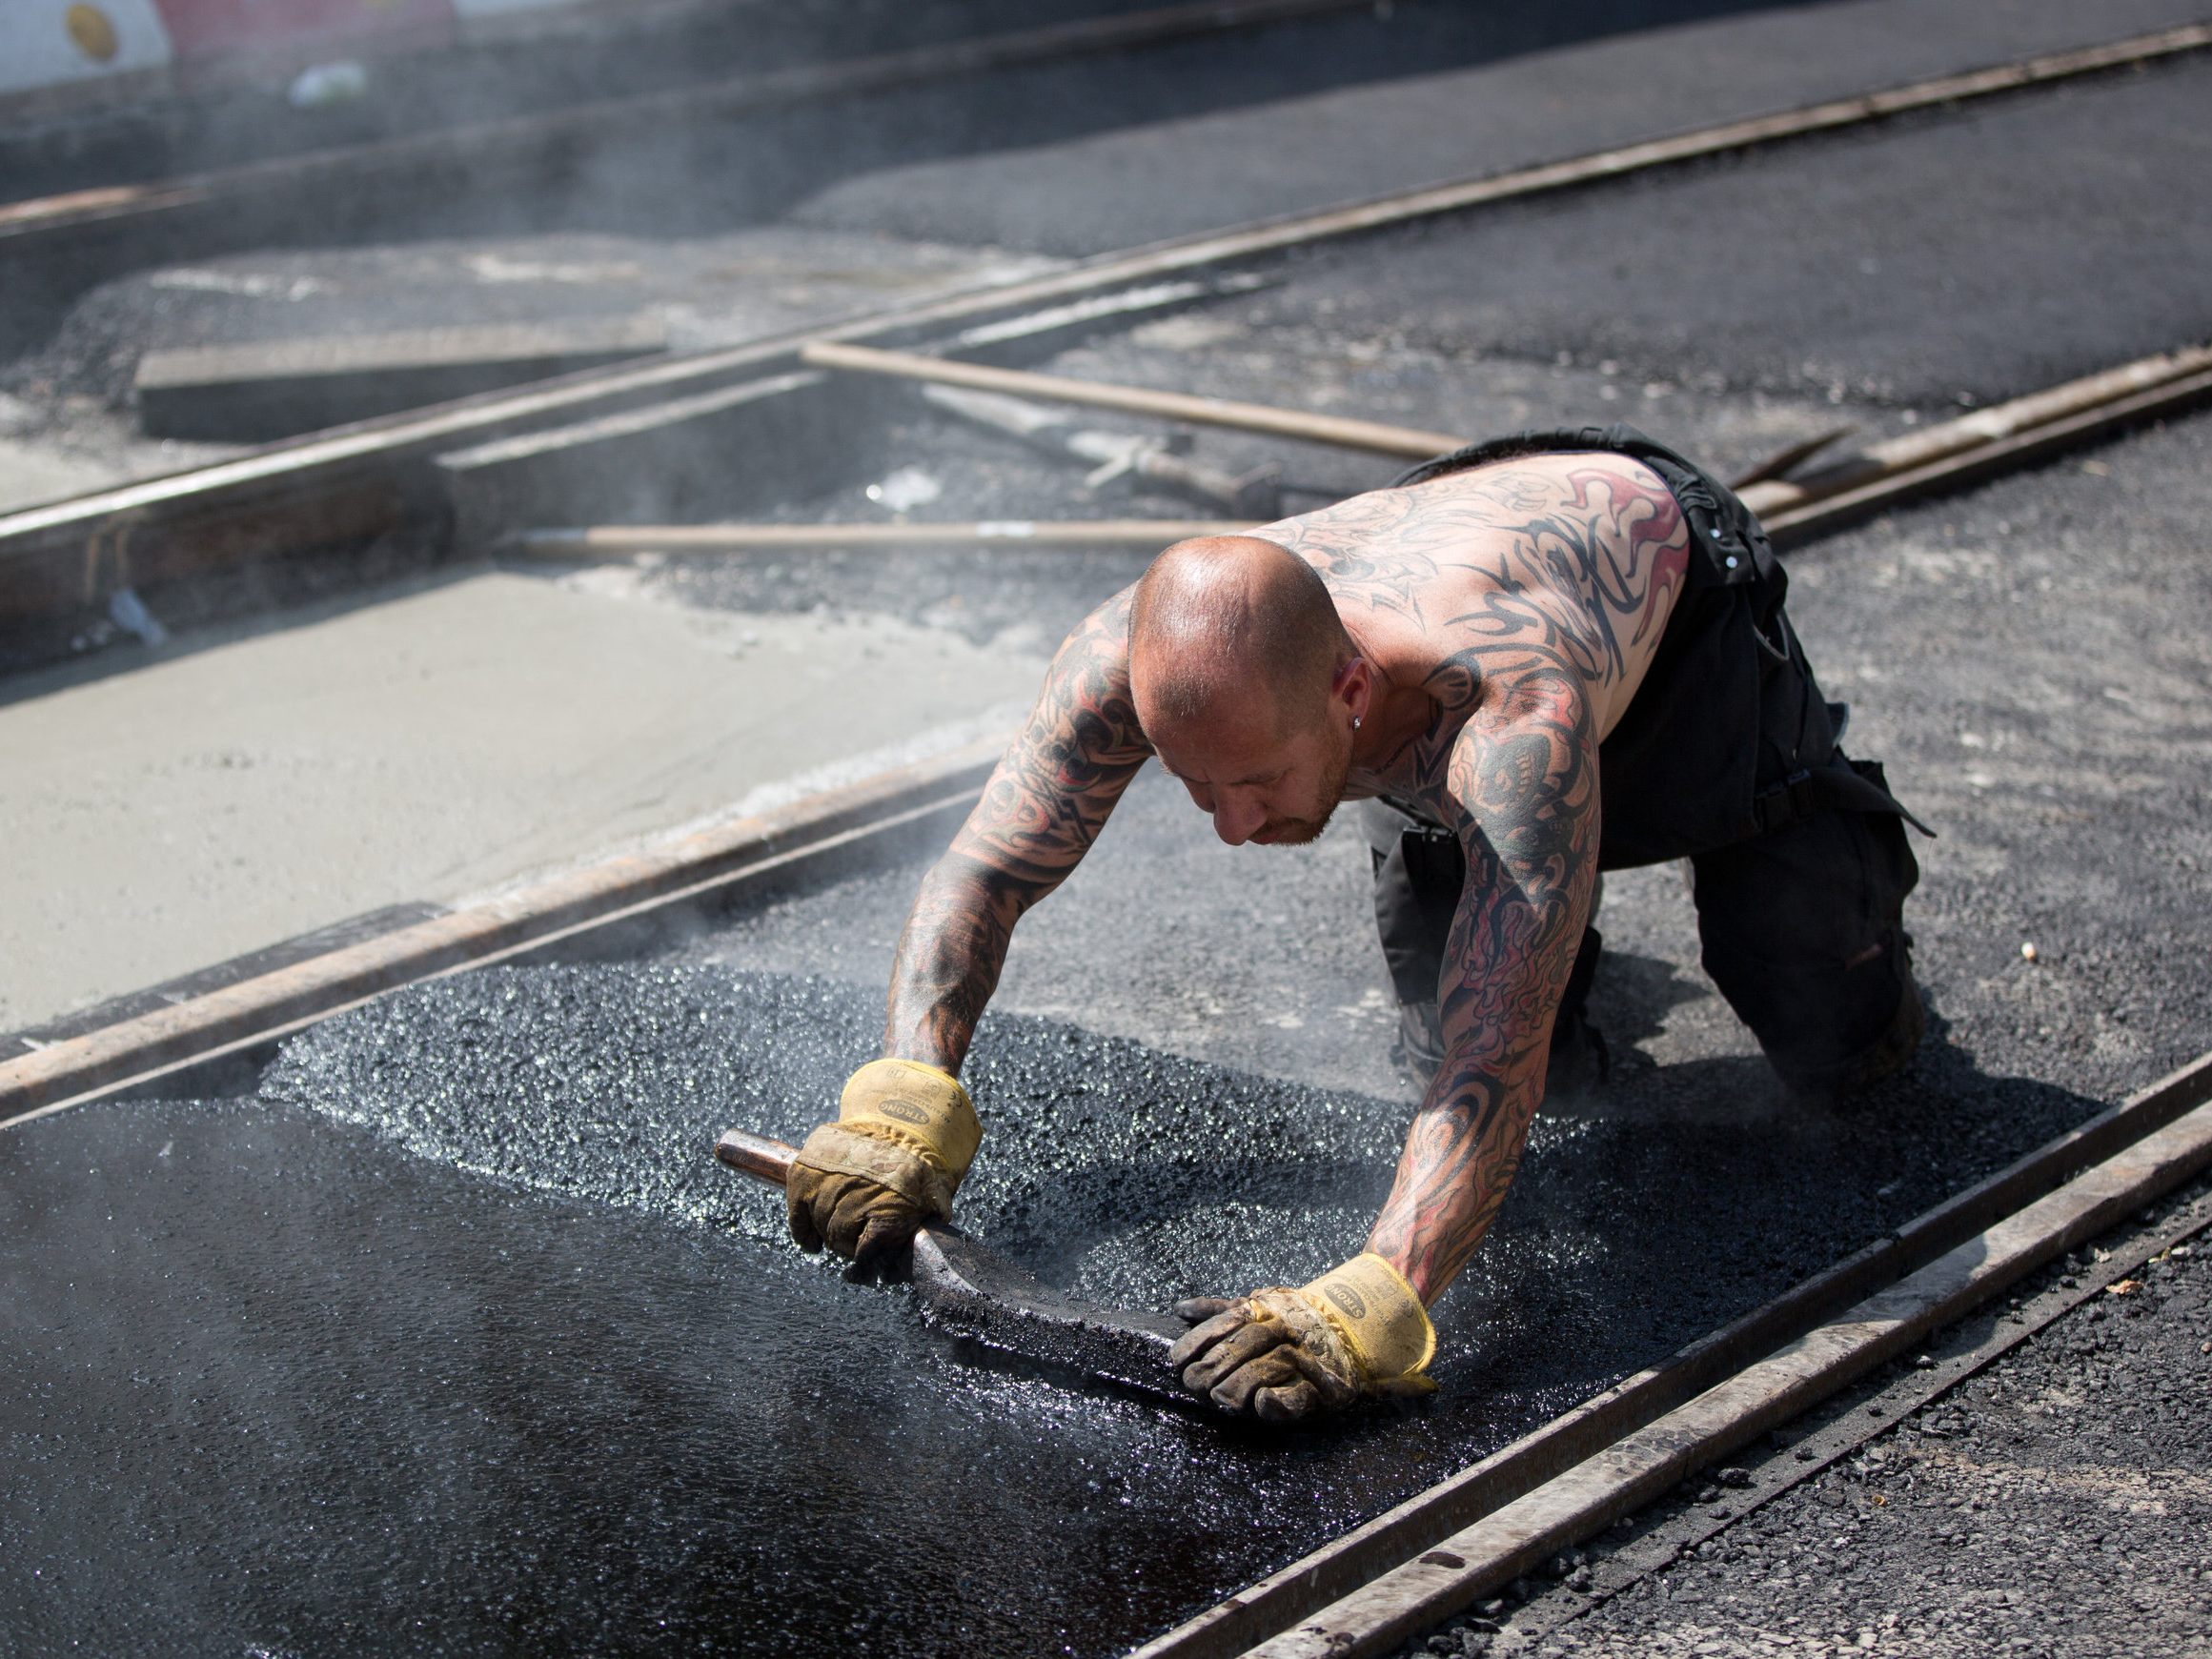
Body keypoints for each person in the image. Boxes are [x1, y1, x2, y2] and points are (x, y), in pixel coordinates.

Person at [783, 425, 1926, 1423]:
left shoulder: (1510, 716)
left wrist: (1371, 1304)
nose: (1231, 829)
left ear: (1345, 695)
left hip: (1673, 614)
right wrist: (902, 1101)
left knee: (1814, 1003)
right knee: (1462, 1004)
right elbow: (984, 869)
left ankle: (1813, 883)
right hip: (1458, 552)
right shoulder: (1120, 660)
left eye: (1257, 783)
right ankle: (1544, 914)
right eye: (1197, 786)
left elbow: (1493, 1069)